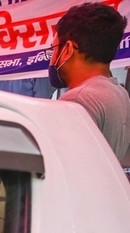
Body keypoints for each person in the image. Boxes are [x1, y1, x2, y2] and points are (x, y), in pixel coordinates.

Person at [47, 2, 130, 160]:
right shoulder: (120, 92)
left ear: (68, 50)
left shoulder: (78, 100)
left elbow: (65, 165)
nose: (51, 59)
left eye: (53, 49)